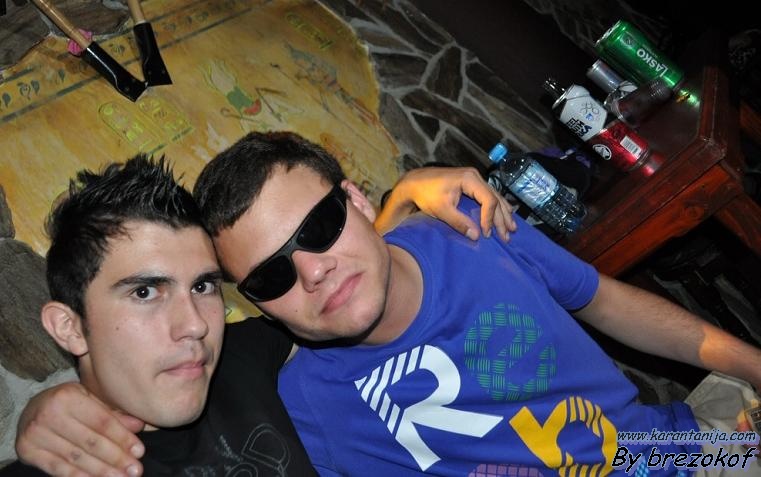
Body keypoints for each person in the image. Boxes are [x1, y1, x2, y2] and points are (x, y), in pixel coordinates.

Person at [15, 131, 761, 475]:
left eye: (319, 226)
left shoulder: (470, 230)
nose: (313, 273)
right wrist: (41, 408)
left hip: (676, 455)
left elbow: (605, 301)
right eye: (270, 278)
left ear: (357, 200)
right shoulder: (289, 387)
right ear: (259, 305)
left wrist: (753, 366)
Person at [7, 152, 516, 476]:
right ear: (69, 327)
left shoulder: (238, 357)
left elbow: (329, 289)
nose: (195, 324)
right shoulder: (60, 462)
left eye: (203, 286)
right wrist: (37, 408)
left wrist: (403, 196)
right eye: (145, 292)